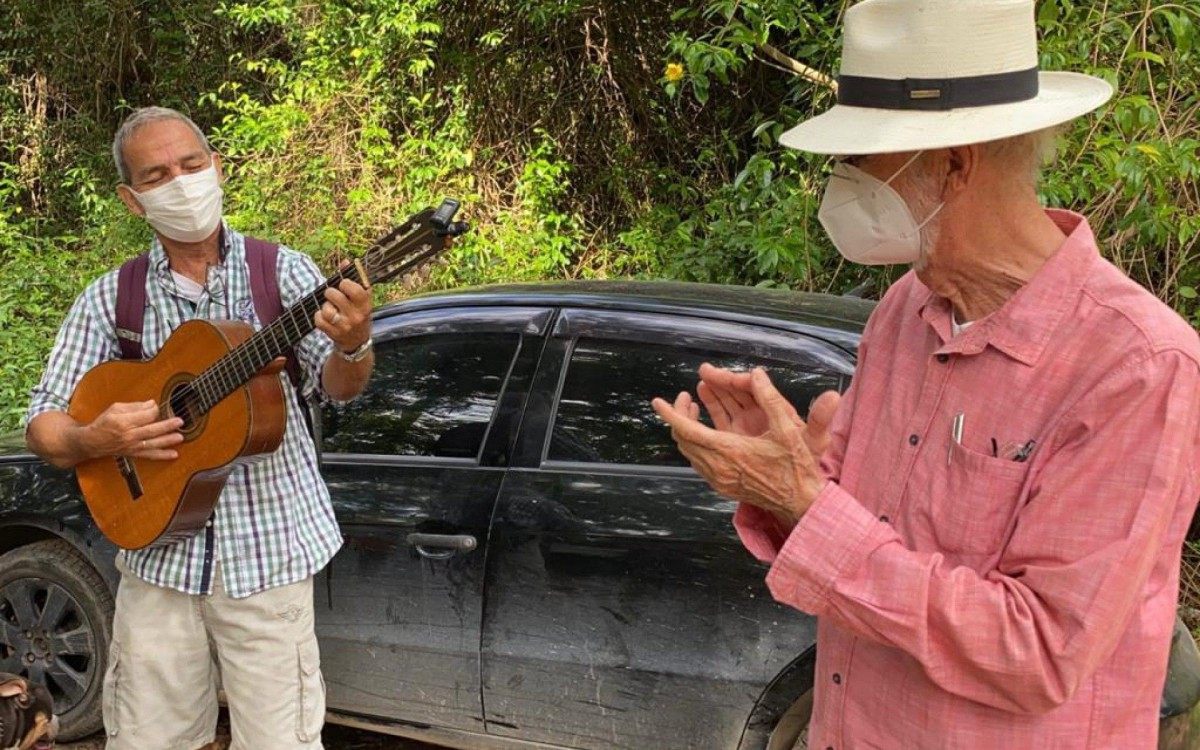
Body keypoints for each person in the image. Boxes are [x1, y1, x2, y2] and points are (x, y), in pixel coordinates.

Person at [652, 0, 1200, 747]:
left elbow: (1040, 651)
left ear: (953, 163)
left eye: (859, 160)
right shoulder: (905, 311)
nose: (841, 183)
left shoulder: (1138, 367)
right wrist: (783, 479)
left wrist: (807, 503)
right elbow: (857, 533)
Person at [24, 106, 375, 749]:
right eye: (157, 175)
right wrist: (95, 439)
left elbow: (340, 387)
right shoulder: (114, 298)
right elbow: (43, 424)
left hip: (270, 561)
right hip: (158, 566)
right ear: (134, 201)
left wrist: (354, 346)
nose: (181, 183)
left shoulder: (282, 274)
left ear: (217, 167)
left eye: (191, 165)